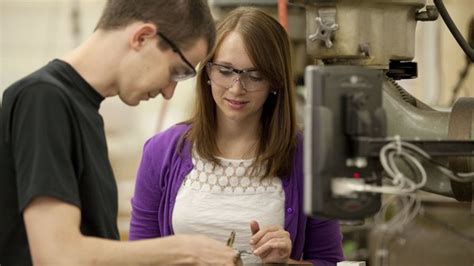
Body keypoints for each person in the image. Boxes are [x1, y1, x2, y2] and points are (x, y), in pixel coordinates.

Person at [0, 1, 236, 265]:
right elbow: (58, 255)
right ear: (142, 37)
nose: (169, 91)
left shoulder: (84, 111)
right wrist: (184, 250)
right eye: (177, 72)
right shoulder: (43, 99)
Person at [129, 6, 345, 265]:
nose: (237, 88)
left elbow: (330, 261)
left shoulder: (308, 156)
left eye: (255, 75)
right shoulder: (161, 151)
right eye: (225, 70)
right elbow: (138, 258)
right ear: (207, 72)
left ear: (275, 81)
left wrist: (286, 264)